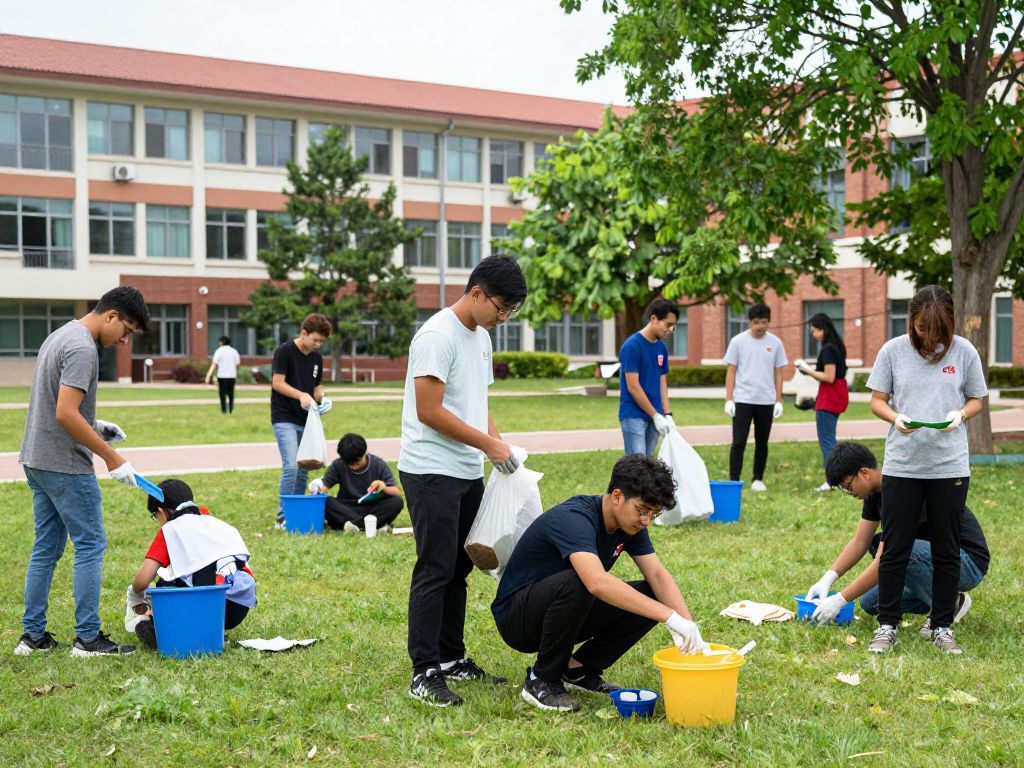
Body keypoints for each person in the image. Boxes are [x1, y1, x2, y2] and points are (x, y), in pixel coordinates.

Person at [399, 254, 527, 707]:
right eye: (501, 307)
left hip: (466, 468)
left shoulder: (481, 339)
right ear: (476, 292)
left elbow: (476, 401)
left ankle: (452, 657)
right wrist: (488, 446)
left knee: (459, 568)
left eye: (510, 311)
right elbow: (429, 411)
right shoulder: (437, 336)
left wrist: (498, 444)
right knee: (434, 568)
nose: (503, 317)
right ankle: (424, 670)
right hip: (430, 469)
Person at [492, 453, 710, 712]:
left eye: (653, 513)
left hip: (567, 609)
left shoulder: (630, 525)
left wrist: (688, 626)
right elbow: (596, 582)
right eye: (642, 511)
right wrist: (669, 617)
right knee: (583, 579)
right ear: (617, 496)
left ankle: (578, 670)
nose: (646, 521)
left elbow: (658, 576)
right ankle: (542, 680)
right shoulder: (575, 518)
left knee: (653, 593)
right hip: (518, 618)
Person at [15, 286, 150, 657]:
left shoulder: (61, 334)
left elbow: (56, 402)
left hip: (37, 459)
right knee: (90, 544)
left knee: (46, 548)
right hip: (65, 466)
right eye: (126, 331)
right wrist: (111, 456)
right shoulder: (82, 348)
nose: (124, 341)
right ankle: (88, 639)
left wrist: (96, 424)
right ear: (111, 316)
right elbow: (64, 412)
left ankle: (33, 637)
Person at [863, 285, 987, 654]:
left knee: (946, 549)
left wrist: (960, 415)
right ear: (911, 320)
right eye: (921, 329)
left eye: (936, 331)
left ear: (949, 323)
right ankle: (887, 626)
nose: (928, 338)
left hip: (948, 466)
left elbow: (977, 399)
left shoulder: (964, 351)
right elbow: (876, 400)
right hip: (903, 466)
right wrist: (896, 416)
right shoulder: (893, 350)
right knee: (894, 545)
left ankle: (943, 626)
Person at [807, 443, 987, 640]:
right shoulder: (875, 495)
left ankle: (946, 604)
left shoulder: (902, 490)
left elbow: (886, 559)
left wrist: (840, 600)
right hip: (929, 558)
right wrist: (828, 578)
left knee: (901, 550)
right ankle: (950, 598)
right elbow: (860, 541)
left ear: (864, 473)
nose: (847, 491)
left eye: (847, 485)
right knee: (870, 602)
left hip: (967, 563)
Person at [126, 479, 256, 650]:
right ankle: (211, 630)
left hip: (207, 602)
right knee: (198, 577)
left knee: (164, 585)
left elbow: (142, 581)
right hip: (239, 606)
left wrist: (134, 594)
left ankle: (167, 630)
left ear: (160, 512)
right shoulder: (213, 522)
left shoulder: (171, 529)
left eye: (155, 517)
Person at [271, 313, 334, 526]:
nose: (318, 345)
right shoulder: (284, 351)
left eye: (322, 342)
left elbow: (316, 387)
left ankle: (295, 514)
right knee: (291, 466)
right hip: (284, 417)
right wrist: (300, 395)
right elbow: (277, 383)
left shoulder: (317, 358)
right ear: (304, 333)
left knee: (303, 467)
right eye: (315, 340)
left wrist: (322, 399)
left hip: (306, 420)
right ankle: (282, 517)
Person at [723, 303, 787, 492]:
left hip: (766, 400)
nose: (760, 326)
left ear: (769, 322)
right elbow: (731, 371)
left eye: (764, 322)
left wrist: (778, 399)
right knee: (739, 441)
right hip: (742, 399)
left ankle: (757, 478)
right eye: (757, 322)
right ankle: (734, 479)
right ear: (750, 321)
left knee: (762, 442)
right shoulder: (738, 341)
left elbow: (778, 373)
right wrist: (729, 398)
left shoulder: (775, 343)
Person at [309, 433, 404, 533]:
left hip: (372, 508)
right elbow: (324, 487)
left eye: (357, 463)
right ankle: (371, 526)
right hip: (347, 509)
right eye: (349, 464)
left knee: (396, 502)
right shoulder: (339, 464)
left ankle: (355, 526)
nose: (353, 467)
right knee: (326, 501)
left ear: (365, 453)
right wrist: (317, 488)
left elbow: (398, 492)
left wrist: (383, 487)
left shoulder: (378, 464)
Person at [618, 298, 679, 455]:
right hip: (634, 416)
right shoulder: (632, 346)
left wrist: (667, 414)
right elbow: (633, 386)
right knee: (637, 467)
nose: (670, 329)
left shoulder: (661, 348)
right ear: (653, 319)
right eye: (668, 324)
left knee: (647, 467)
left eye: (673, 326)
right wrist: (655, 415)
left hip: (656, 416)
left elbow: (662, 382)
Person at [797, 313, 849, 491]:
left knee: (827, 441)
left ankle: (831, 481)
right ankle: (837, 479)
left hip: (829, 397)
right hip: (836, 395)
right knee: (830, 440)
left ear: (823, 329)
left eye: (814, 331)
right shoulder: (837, 346)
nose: (813, 334)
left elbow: (829, 377)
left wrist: (806, 370)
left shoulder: (827, 348)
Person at [205, 335, 241, 414]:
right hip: (232, 376)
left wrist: (208, 375)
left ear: (222, 342)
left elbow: (214, 364)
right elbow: (237, 363)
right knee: (231, 393)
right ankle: (231, 409)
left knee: (222, 394)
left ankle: (224, 410)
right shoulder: (234, 351)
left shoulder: (219, 351)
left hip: (222, 376)